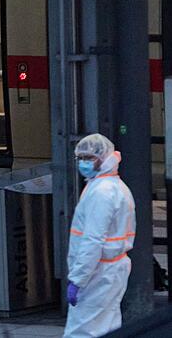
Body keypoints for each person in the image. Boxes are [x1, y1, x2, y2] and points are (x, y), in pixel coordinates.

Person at [64, 133, 136, 338]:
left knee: (83, 330)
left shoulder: (101, 192)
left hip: (98, 271)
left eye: (89, 158)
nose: (83, 163)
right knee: (107, 326)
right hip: (111, 269)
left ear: (104, 158)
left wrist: (78, 279)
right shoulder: (114, 186)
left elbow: (92, 240)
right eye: (81, 158)